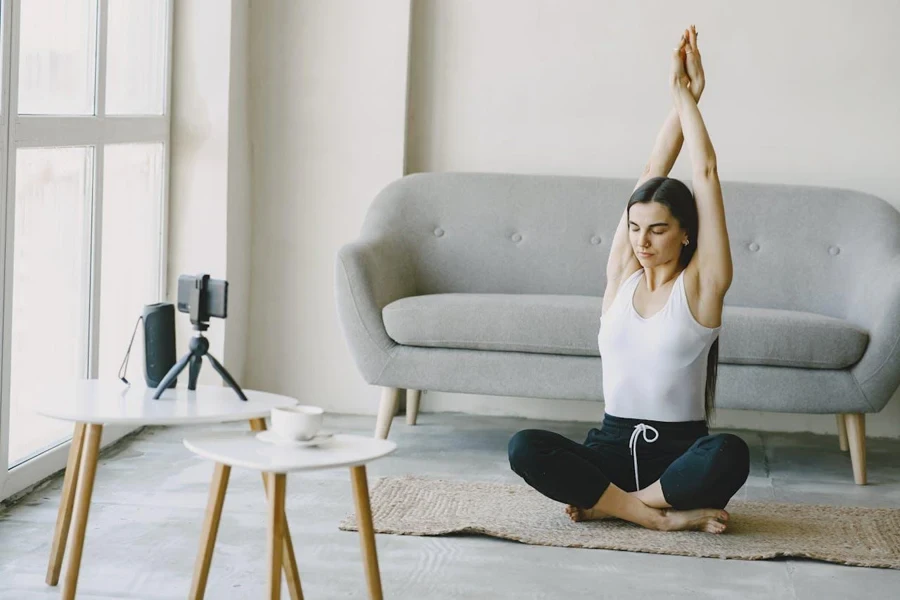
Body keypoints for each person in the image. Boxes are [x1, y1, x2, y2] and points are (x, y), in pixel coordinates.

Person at [508, 25, 750, 534]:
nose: (642, 240)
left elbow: (704, 171)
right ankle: (658, 518)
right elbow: (650, 168)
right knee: (524, 446)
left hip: (680, 456)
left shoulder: (704, 285)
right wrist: (679, 101)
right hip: (609, 449)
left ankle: (622, 506)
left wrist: (687, 97)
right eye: (636, 227)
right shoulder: (621, 277)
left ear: (686, 235)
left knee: (729, 454)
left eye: (658, 229)